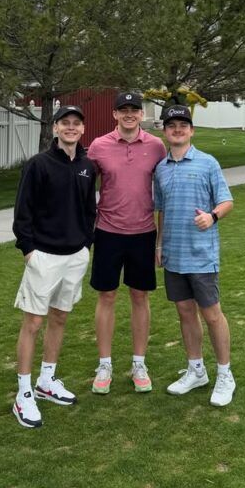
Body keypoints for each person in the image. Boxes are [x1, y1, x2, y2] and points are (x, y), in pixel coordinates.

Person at [11, 105, 96, 429]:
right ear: (56, 128)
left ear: (82, 129)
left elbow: (90, 210)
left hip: (75, 255)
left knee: (60, 317)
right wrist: (29, 251)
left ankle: (46, 380)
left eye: (77, 123)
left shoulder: (88, 166)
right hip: (43, 256)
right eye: (65, 123)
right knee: (33, 322)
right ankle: (23, 392)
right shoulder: (38, 165)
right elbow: (23, 213)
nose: (71, 128)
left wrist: (85, 244)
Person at [154, 105, 236, 406]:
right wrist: (159, 245)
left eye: (183, 125)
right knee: (185, 312)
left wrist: (212, 217)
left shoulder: (208, 163)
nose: (177, 129)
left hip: (201, 254)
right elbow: (161, 210)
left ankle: (225, 374)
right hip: (173, 256)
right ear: (164, 131)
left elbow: (227, 201)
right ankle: (196, 369)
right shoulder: (161, 169)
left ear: (192, 130)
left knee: (212, 314)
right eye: (172, 125)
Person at [87, 91, 167, 394]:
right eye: (124, 110)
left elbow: (166, 189)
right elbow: (81, 184)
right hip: (107, 232)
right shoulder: (99, 146)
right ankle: (104, 364)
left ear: (142, 114)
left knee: (139, 297)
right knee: (106, 296)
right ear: (115, 115)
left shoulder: (156, 146)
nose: (130, 114)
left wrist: (161, 241)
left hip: (143, 233)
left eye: (135, 109)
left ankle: (138, 363)